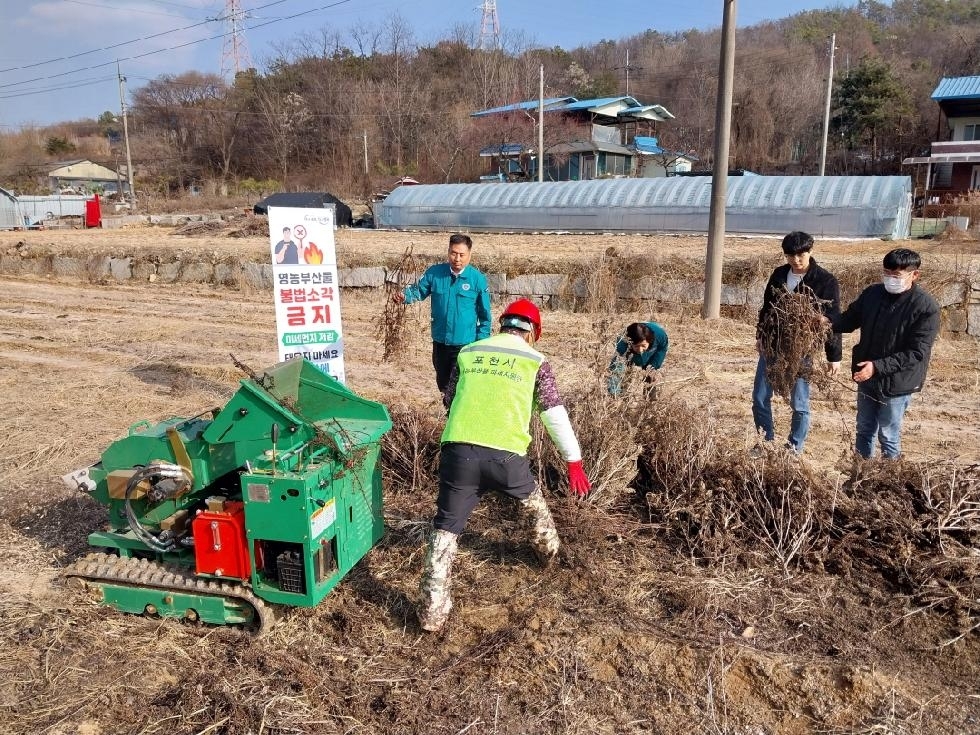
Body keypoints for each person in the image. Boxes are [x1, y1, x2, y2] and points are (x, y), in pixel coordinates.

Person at [417, 298, 592, 632]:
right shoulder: (535, 361)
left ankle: (431, 614)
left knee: (445, 530)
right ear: (533, 333)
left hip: (459, 452)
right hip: (506, 458)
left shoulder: (468, 352)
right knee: (533, 507)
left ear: (502, 325)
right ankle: (548, 554)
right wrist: (574, 462)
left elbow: (449, 398)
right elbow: (554, 414)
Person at [831, 248, 940, 459]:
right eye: (887, 273)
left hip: (897, 383)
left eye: (897, 275)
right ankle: (860, 477)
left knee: (888, 435)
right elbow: (849, 319)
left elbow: (916, 353)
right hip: (866, 375)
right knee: (864, 430)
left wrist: (877, 366)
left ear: (914, 274)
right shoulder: (872, 294)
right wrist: (826, 322)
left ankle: (888, 482)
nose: (891, 279)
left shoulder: (925, 307)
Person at [751, 231, 841, 455]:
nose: (796, 260)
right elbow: (767, 309)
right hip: (773, 343)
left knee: (799, 402)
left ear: (810, 251)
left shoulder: (825, 280)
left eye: (801, 254)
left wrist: (834, 356)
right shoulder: (780, 275)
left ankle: (794, 447)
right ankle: (765, 442)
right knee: (760, 396)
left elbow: (833, 319)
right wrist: (761, 335)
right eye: (790, 255)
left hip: (802, 348)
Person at [395, 234, 492, 392]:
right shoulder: (435, 273)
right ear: (448, 252)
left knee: (462, 387)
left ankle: (459, 415)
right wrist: (404, 297)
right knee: (443, 385)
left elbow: (485, 316)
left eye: (462, 255)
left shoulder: (477, 279)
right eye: (453, 253)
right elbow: (419, 291)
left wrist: (480, 343)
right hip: (440, 342)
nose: (457, 258)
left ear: (469, 255)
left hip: (466, 344)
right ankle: (448, 414)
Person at [607, 321, 669, 396]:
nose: (640, 350)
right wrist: (614, 395)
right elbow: (616, 372)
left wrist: (653, 365)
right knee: (621, 374)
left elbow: (662, 349)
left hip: (651, 347)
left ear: (649, 341)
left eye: (643, 345)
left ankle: (650, 400)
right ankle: (621, 396)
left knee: (651, 372)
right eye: (636, 346)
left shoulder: (660, 335)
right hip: (629, 353)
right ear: (630, 343)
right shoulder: (622, 344)